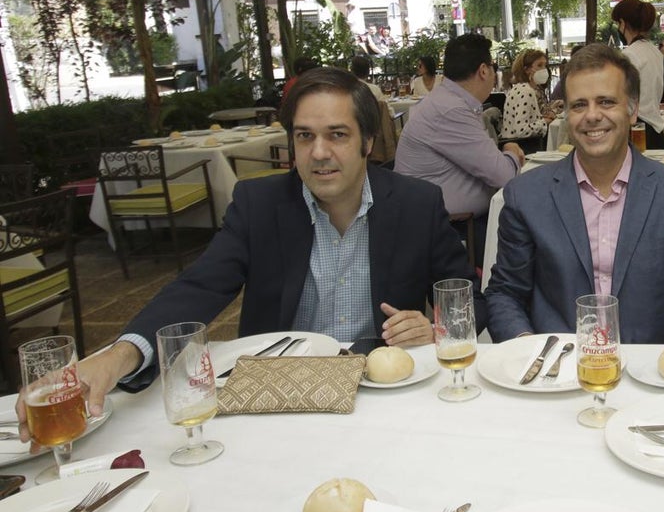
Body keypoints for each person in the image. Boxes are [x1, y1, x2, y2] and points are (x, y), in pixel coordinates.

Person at [17, 68, 480, 427]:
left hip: (381, 395)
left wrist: (436, 327)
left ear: (368, 143)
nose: (319, 152)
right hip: (277, 397)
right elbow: (199, 287)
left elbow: (465, 302)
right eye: (305, 136)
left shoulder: (416, 205)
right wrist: (116, 356)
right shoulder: (259, 205)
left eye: (337, 135)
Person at [485, 43, 664, 345]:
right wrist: (529, 351)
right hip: (558, 372)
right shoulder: (526, 196)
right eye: (579, 105)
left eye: (607, 102)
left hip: (649, 374)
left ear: (633, 110)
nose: (592, 116)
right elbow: (505, 294)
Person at [394, 33, 524, 264]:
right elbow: (504, 175)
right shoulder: (450, 110)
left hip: (451, 223)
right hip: (450, 231)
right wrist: (512, 152)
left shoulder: (449, 101)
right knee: (526, 246)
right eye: (493, 68)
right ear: (484, 70)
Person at [611, 0, 664, 150]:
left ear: (623, 23)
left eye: (617, 23)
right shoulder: (655, 52)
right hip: (655, 128)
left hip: (635, 129)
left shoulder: (629, 55)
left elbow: (619, 95)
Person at [500, 49, 555, 155]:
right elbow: (522, 130)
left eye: (545, 65)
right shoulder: (526, 91)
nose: (544, 69)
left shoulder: (521, 88)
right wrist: (545, 121)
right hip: (522, 148)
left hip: (517, 146)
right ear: (527, 69)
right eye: (539, 65)